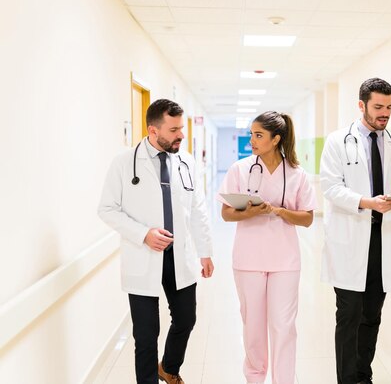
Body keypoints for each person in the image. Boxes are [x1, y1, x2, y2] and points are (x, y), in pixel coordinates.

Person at [98, 99, 214, 384]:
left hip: (179, 256)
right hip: (143, 255)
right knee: (146, 335)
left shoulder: (186, 161)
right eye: (174, 129)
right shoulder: (124, 163)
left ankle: (169, 367)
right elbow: (107, 209)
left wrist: (205, 251)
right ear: (153, 129)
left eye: (181, 128)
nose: (181, 135)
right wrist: (143, 234)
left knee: (186, 319)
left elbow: (197, 209)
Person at [319, 77, 391, 384]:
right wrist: (366, 202)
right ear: (361, 105)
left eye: (389, 107)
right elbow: (330, 187)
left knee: (372, 315)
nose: (385, 113)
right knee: (348, 316)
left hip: (382, 242)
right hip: (350, 239)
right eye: (378, 107)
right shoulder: (337, 141)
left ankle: (363, 376)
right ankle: (346, 380)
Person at [218, 111, 316, 384]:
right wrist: (250, 212)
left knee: (284, 327)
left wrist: (278, 211)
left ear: (276, 139)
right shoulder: (240, 169)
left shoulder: (297, 174)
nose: (252, 140)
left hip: (285, 261)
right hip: (248, 260)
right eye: (251, 134)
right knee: (253, 328)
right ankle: (254, 378)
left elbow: (307, 218)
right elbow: (226, 213)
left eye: (258, 135)